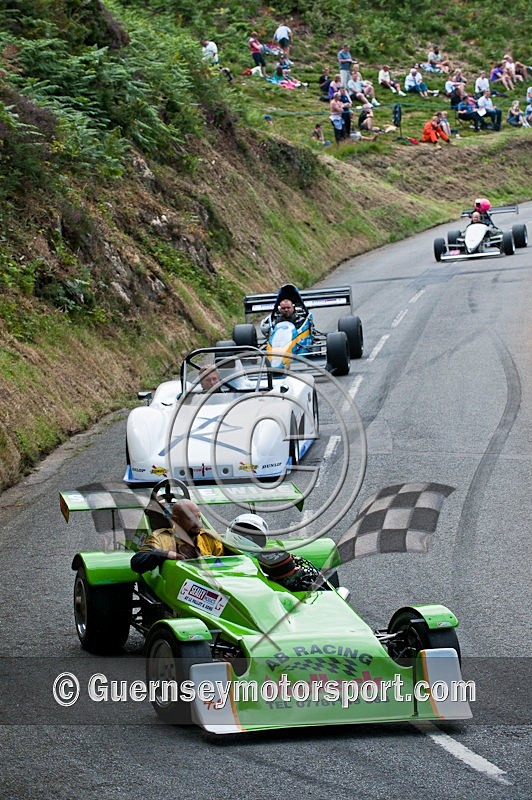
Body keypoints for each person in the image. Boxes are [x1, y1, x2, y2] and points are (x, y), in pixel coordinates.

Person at [130, 499, 224, 573]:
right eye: (191, 518)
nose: (198, 524)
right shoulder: (161, 537)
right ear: (176, 520)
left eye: (198, 517)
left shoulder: (210, 537)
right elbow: (136, 562)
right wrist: (166, 554)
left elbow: (225, 566)